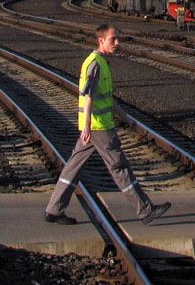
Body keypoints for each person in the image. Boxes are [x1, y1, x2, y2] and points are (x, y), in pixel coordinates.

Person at [44, 23, 171, 226]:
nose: (117, 43)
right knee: (119, 167)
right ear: (101, 40)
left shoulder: (100, 62)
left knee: (73, 168)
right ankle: (145, 210)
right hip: (99, 127)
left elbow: (106, 99)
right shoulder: (95, 64)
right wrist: (86, 126)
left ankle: (54, 209)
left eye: (118, 38)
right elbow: (88, 96)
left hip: (95, 126)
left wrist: (125, 116)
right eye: (113, 39)